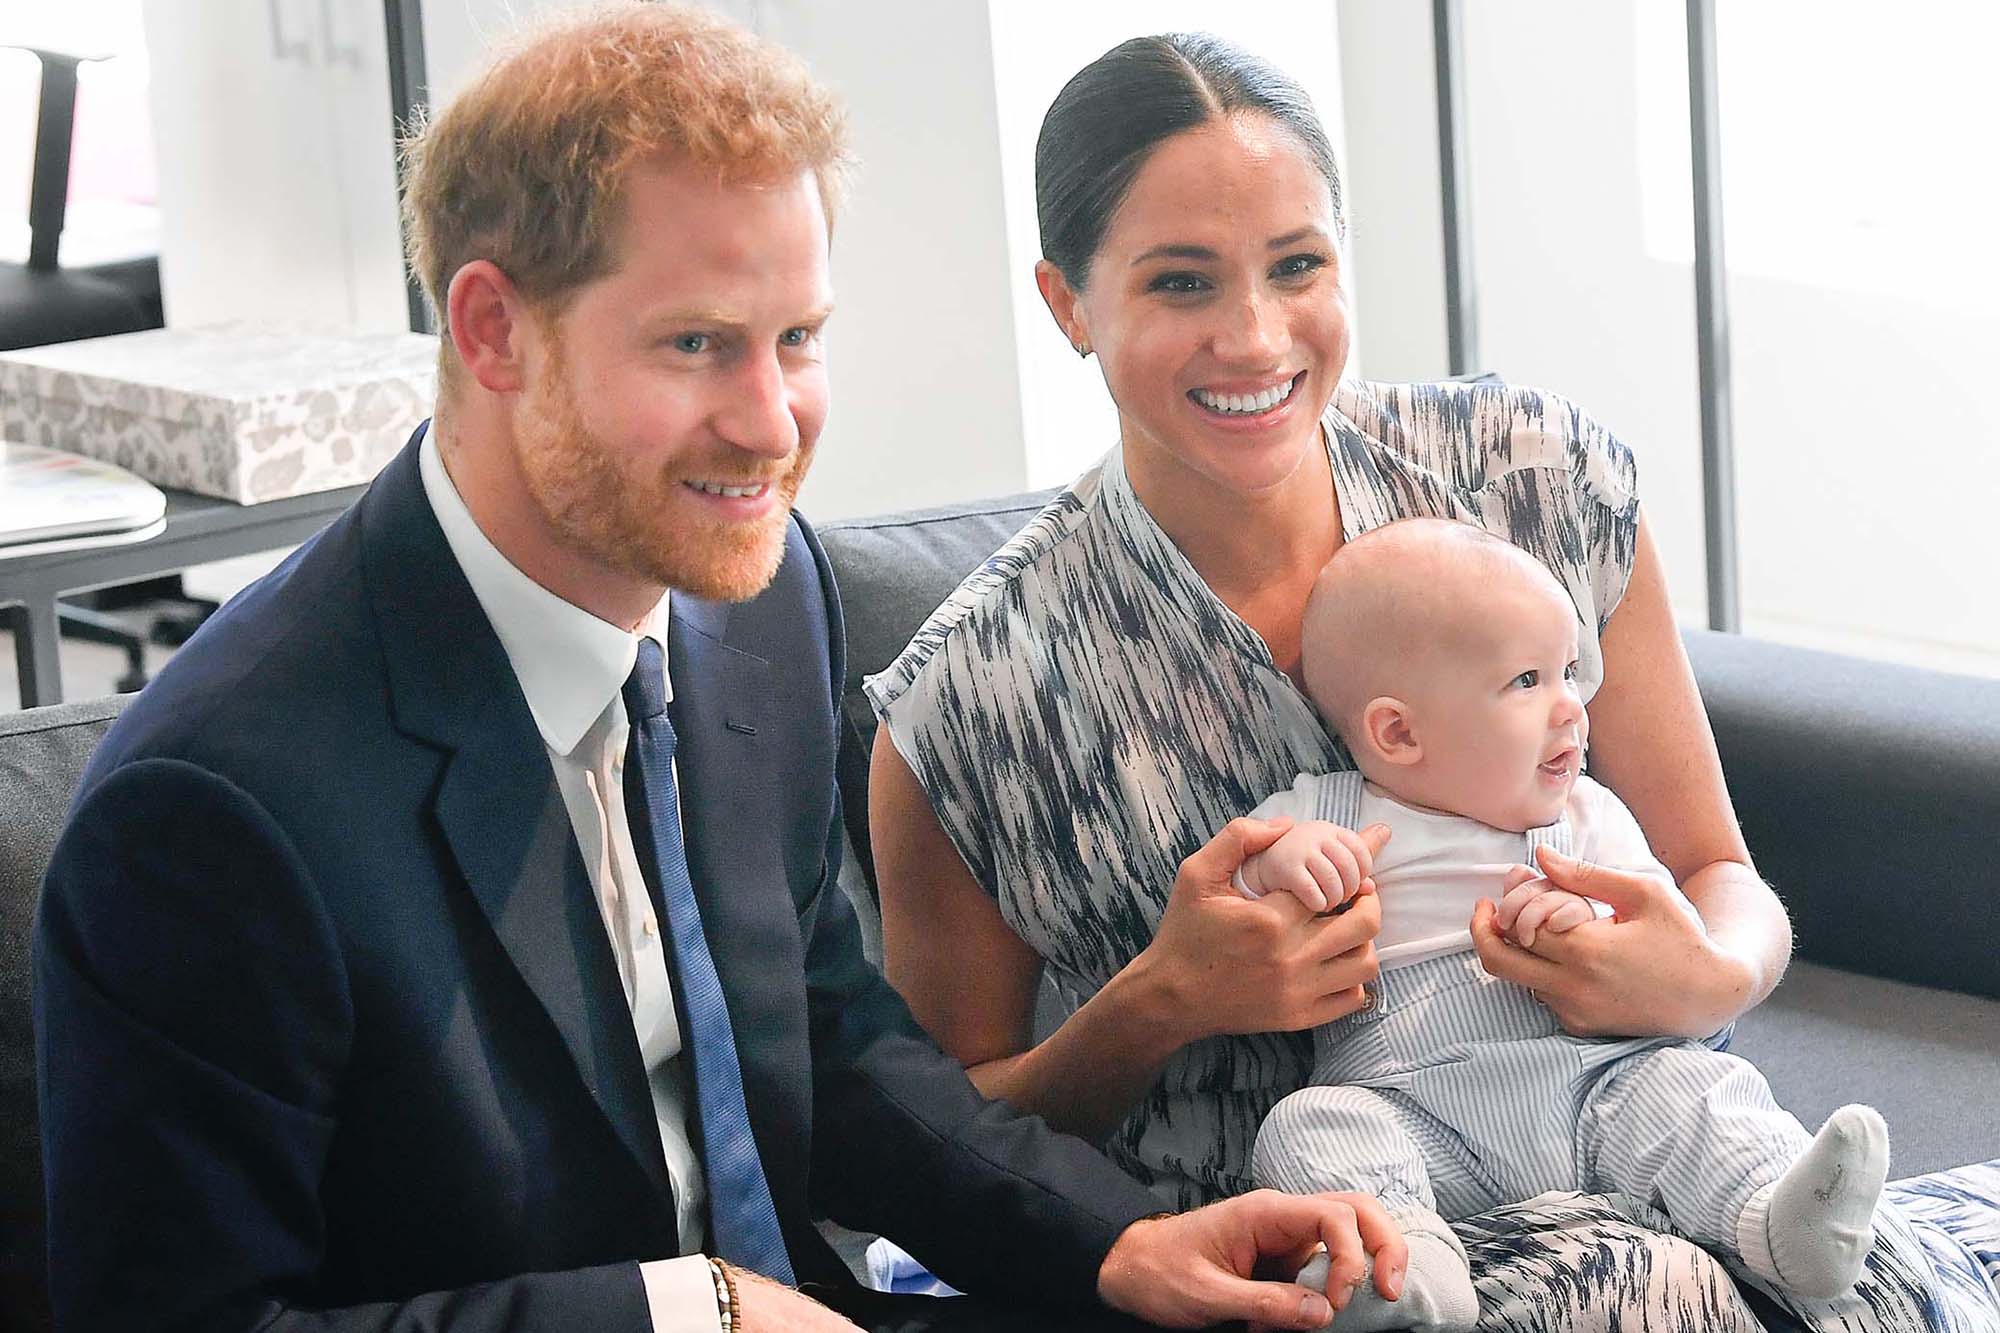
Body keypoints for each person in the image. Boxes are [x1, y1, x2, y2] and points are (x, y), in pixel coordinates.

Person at [31, 9, 1410, 1331]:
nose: (771, 424)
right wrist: (678, 1314)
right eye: (698, 345)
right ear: (494, 330)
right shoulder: (215, 805)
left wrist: (1112, 1238)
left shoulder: (756, 604)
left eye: (797, 339)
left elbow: (828, 1038)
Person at [864, 30, 1974, 1331]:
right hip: (1303, 1241)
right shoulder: (970, 701)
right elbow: (939, 1146)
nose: (1256, 336)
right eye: (1180, 282)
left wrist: (1702, 978)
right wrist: (1164, 1000)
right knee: (1652, 1294)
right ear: (1067, 304)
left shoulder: (1533, 479)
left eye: (1298, 266)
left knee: (1873, 1278)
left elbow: (1722, 877)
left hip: (1633, 1126)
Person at [1235, 517, 1919, 1330]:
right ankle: (1408, 1266)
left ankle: (1777, 1220)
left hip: (1599, 1086)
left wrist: (1585, 920)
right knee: (1307, 1125)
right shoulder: (1325, 814)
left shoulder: (1587, 817)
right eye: (1528, 680)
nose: (1573, 705)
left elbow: (1653, 929)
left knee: (1695, 1090)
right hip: (1412, 1106)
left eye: (1569, 670)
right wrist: (1283, 864)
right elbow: (1233, 890)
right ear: (1399, 732)